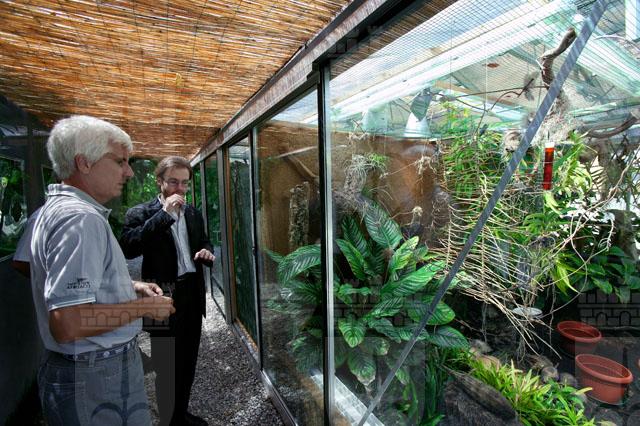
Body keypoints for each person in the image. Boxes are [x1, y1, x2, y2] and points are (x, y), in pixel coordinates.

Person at [30, 115, 175, 425]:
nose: (129, 171)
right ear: (84, 162)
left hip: (82, 370)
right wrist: (145, 307)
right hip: (95, 375)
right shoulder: (80, 219)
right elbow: (68, 323)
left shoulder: (54, 211)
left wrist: (128, 286)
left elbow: (64, 282)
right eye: (120, 161)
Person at [120, 156, 214, 426]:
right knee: (165, 366)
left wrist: (207, 252)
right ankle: (169, 420)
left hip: (192, 293)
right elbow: (129, 248)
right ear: (159, 181)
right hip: (161, 295)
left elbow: (204, 240)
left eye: (184, 183)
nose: (180, 189)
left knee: (188, 362)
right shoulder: (140, 213)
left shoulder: (193, 212)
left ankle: (180, 415)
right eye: (173, 182)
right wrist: (164, 216)